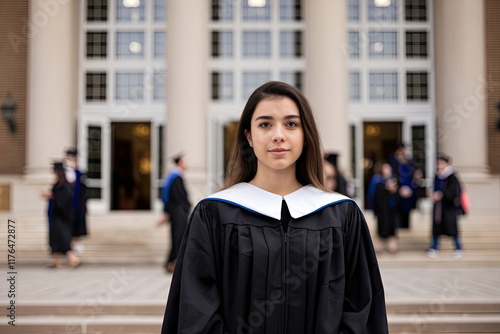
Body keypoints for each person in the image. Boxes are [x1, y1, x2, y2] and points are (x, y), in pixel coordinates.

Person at [161, 81, 388, 333]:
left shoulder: (342, 215)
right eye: (265, 124)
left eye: (291, 124)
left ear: (305, 134)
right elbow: (196, 311)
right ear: (248, 135)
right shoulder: (213, 214)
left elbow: (360, 310)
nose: (278, 134)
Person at [42, 162, 80, 268]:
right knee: (55, 239)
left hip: (61, 217)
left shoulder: (64, 186)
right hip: (56, 216)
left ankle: (73, 259)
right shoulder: (59, 184)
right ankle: (56, 261)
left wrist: (51, 196)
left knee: (62, 239)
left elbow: (63, 201)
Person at [158, 154, 191, 273]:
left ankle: (171, 261)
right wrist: (186, 207)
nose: (186, 164)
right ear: (180, 163)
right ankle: (173, 262)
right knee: (178, 236)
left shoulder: (173, 176)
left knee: (177, 236)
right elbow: (179, 197)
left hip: (176, 212)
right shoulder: (176, 177)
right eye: (184, 162)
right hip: (178, 213)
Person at [427, 154, 463, 259]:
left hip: (448, 207)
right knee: (436, 228)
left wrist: (442, 194)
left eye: (441, 163)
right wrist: (433, 194)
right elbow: (434, 188)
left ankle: (458, 248)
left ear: (446, 164)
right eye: (438, 163)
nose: (439, 165)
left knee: (452, 228)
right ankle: (434, 247)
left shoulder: (452, 176)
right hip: (438, 207)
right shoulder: (437, 175)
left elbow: (454, 191)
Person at [64, 148, 89, 254]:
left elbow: (84, 191)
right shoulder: (63, 174)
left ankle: (77, 243)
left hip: (78, 205)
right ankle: (66, 245)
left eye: (72, 158)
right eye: (69, 158)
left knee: (78, 225)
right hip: (66, 205)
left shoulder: (80, 173)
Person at [372, 163, 399, 253]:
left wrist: (393, 189)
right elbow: (375, 195)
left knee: (392, 227)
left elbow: (398, 194)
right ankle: (379, 245)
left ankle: (392, 245)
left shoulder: (394, 179)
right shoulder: (377, 180)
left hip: (391, 208)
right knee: (381, 226)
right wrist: (385, 188)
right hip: (381, 208)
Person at [389, 143, 417, 229]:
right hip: (399, 189)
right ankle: (399, 225)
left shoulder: (409, 161)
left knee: (407, 208)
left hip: (408, 188)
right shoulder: (394, 161)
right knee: (398, 208)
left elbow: (412, 172)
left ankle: (406, 225)